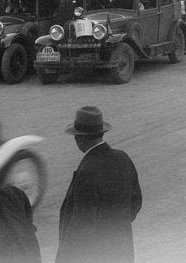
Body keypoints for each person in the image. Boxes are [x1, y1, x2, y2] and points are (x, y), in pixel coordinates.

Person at [57, 106, 142, 263]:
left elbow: (81, 226)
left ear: (79, 138)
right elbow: (136, 201)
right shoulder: (123, 158)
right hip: (122, 249)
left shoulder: (87, 171)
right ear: (102, 133)